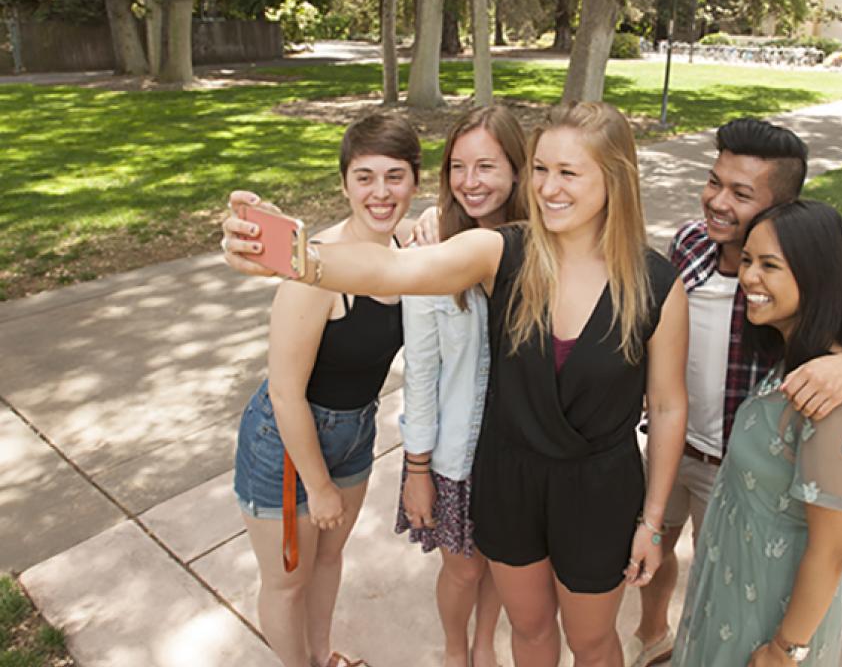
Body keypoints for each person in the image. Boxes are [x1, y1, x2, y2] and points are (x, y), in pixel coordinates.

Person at [223, 101, 689, 667]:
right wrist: (291, 253)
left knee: (592, 643)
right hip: (510, 481)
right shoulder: (503, 252)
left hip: (598, 492)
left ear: (614, 178)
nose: (548, 187)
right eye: (541, 170)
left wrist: (653, 520)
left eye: (568, 172)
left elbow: (666, 407)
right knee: (530, 630)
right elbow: (392, 270)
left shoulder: (657, 285)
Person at [626, 119, 842, 667]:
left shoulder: (806, 276)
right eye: (713, 181)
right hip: (678, 444)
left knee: (732, 574)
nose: (717, 202)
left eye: (741, 194)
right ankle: (654, 639)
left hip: (749, 467)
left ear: (779, 208)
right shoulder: (690, 246)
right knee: (663, 552)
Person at [231, 113, 419, 667]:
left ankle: (322, 656)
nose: (380, 192)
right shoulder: (314, 270)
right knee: (287, 580)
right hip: (286, 444)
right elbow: (286, 393)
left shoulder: (409, 247)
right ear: (344, 184)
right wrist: (319, 484)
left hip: (355, 430)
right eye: (364, 177)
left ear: (414, 180)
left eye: (394, 175)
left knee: (329, 559)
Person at [672, 199, 842, 666]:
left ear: (815, 275)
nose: (749, 277)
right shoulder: (791, 361)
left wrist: (785, 649)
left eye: (770, 265)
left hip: (770, 616)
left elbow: (831, 549)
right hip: (732, 590)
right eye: (747, 260)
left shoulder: (832, 403)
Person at [395, 105, 528, 667]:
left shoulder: (545, 249)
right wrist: (418, 470)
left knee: (503, 561)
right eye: (457, 166)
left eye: (487, 167)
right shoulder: (433, 256)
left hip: (522, 451)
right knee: (462, 567)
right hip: (455, 453)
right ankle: (455, 648)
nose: (469, 183)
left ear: (518, 171)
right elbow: (420, 373)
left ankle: (483, 643)